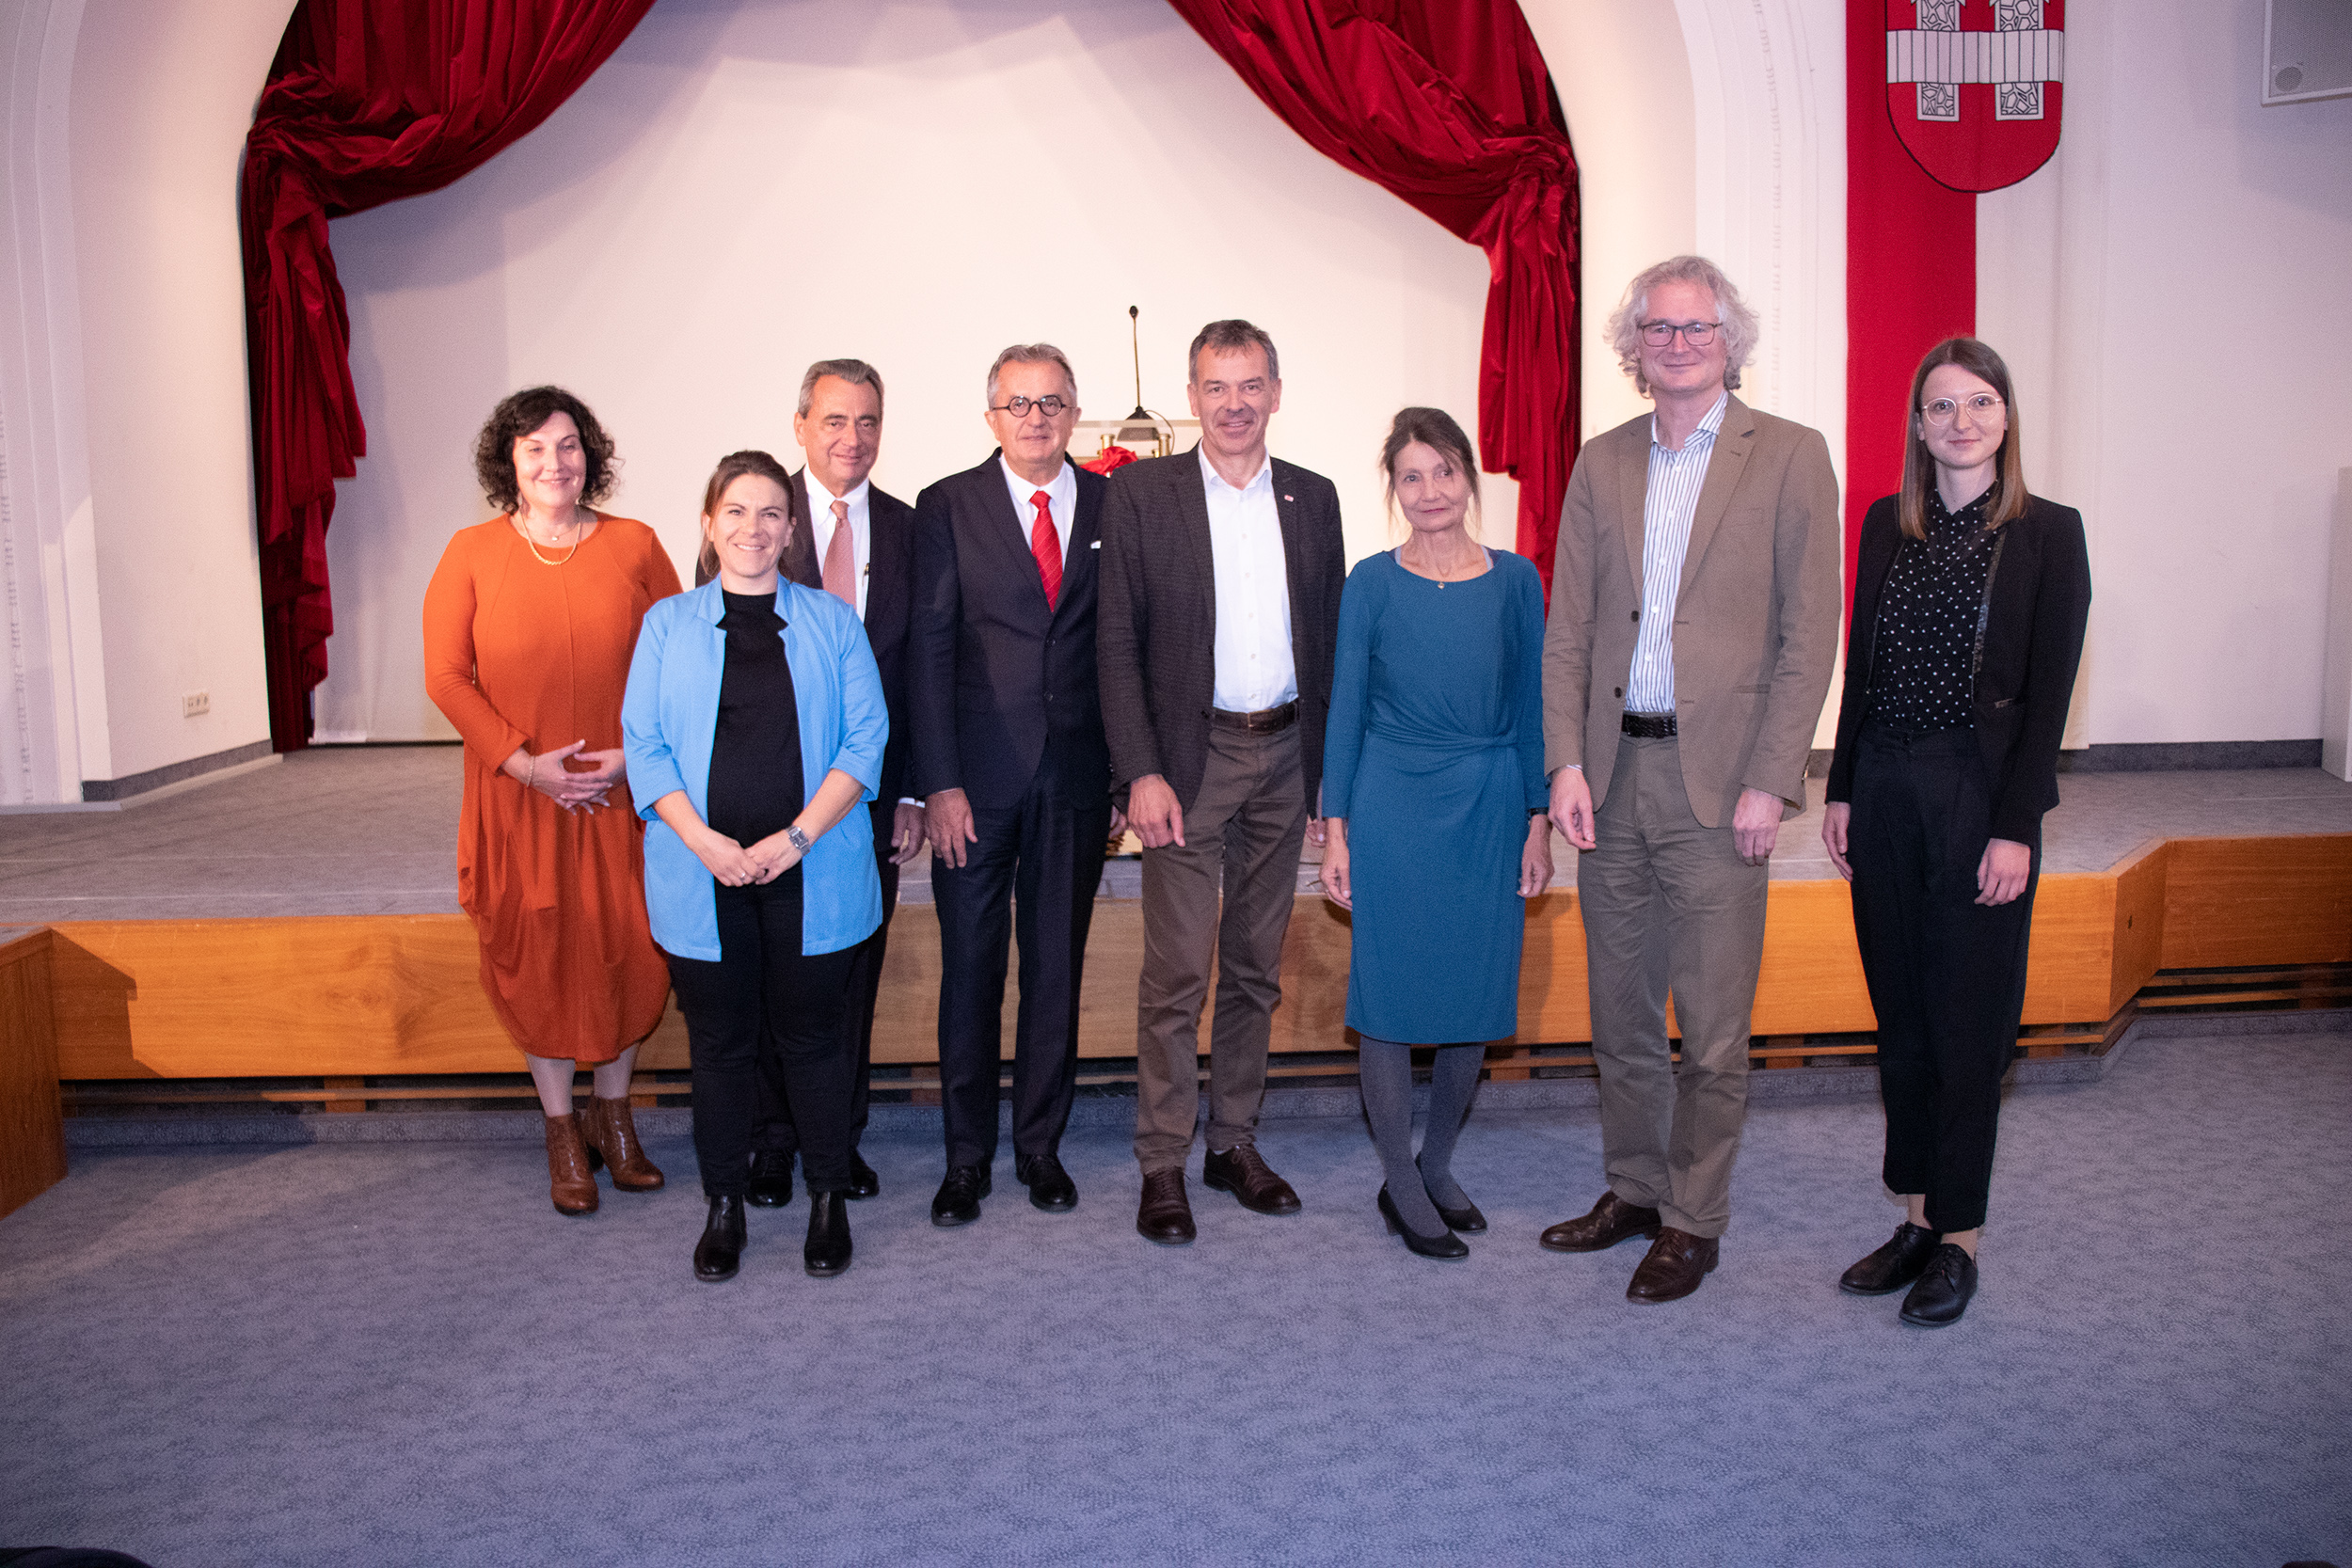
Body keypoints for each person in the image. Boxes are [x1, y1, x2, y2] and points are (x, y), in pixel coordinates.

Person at [1542, 257, 1841, 1302]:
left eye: (1696, 328)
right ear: (1634, 347)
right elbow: (1569, 626)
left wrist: (1775, 777)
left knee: (1711, 1027)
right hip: (1612, 775)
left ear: (1730, 341)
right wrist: (1564, 761)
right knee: (1619, 1013)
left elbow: (1810, 634)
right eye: (1657, 329)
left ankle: (1693, 1216)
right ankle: (1631, 1187)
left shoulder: (1792, 456)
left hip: (1722, 786)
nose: (1676, 343)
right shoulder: (1602, 462)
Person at [1821, 338, 2090, 1328]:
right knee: (1901, 1019)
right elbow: (1864, 673)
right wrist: (1841, 787)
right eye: (1941, 406)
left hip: (1978, 800)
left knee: (1968, 1024)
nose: (1961, 420)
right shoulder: (1887, 527)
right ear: (1918, 426)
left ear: (2005, 416)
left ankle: (1960, 1236)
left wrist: (2016, 825)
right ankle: (1914, 1213)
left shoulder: (2049, 535)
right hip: (1886, 785)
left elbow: (2048, 695)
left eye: (1979, 402)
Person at [1097, 319, 1346, 1245]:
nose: (1234, 403)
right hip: (1188, 764)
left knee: (1252, 966)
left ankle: (1231, 1139)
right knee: (1173, 970)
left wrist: (1329, 778)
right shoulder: (1139, 495)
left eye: (1251, 385)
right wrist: (1140, 771)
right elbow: (1115, 642)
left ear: (1276, 392)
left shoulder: (1311, 499)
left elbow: (1323, 645)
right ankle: (1163, 1156)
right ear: (1191, 396)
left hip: (1283, 757)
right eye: (1215, 385)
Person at [622, 451, 886, 1282]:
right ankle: (725, 1203)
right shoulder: (667, 624)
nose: (754, 528)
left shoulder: (833, 621)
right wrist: (704, 843)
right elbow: (645, 744)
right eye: (736, 511)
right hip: (702, 871)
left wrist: (795, 838)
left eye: (771, 512)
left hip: (813, 865)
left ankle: (826, 1199)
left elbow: (864, 739)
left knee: (814, 1043)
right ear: (708, 523)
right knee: (724, 1046)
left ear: (791, 527)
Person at [423, 386, 677, 1216]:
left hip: (619, 795)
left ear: (590, 456)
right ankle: (563, 1128)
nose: (553, 462)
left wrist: (633, 762)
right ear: (509, 462)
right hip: (520, 800)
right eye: (534, 448)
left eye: (567, 446)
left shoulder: (636, 546)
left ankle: (617, 1117)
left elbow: (679, 661)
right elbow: (446, 678)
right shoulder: (468, 552)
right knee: (538, 950)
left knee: (626, 946)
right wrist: (524, 764)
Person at [1319, 408, 1551, 1260]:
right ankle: (1401, 1182)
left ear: (1469, 478)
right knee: (1385, 998)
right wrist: (1335, 827)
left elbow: (1532, 704)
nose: (1429, 492)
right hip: (1391, 802)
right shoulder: (1370, 583)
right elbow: (1345, 710)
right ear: (1394, 489)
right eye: (1411, 476)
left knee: (1473, 996)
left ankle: (1438, 1163)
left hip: (1487, 805)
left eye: (1444, 471)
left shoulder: (1517, 580)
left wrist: (1537, 819)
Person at [908, 344, 1114, 1226]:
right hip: (976, 789)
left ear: (1075, 414)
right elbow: (930, 651)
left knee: (1056, 973)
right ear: (990, 416)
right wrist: (939, 782)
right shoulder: (948, 505)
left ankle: (1039, 1147)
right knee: (973, 973)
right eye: (1019, 403)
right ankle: (965, 1159)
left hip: (1074, 779)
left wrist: (1119, 775)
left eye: (1052, 402)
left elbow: (1119, 645)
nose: (1036, 417)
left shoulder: (1114, 502)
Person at [737, 359, 924, 1212]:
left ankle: (834, 1143)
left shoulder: (910, 526)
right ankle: (773, 1143)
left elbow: (921, 670)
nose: (854, 438)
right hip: (771, 791)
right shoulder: (756, 517)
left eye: (870, 421)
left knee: (850, 972)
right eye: (836, 420)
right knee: (777, 974)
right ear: (802, 425)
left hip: (870, 798)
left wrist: (914, 790)